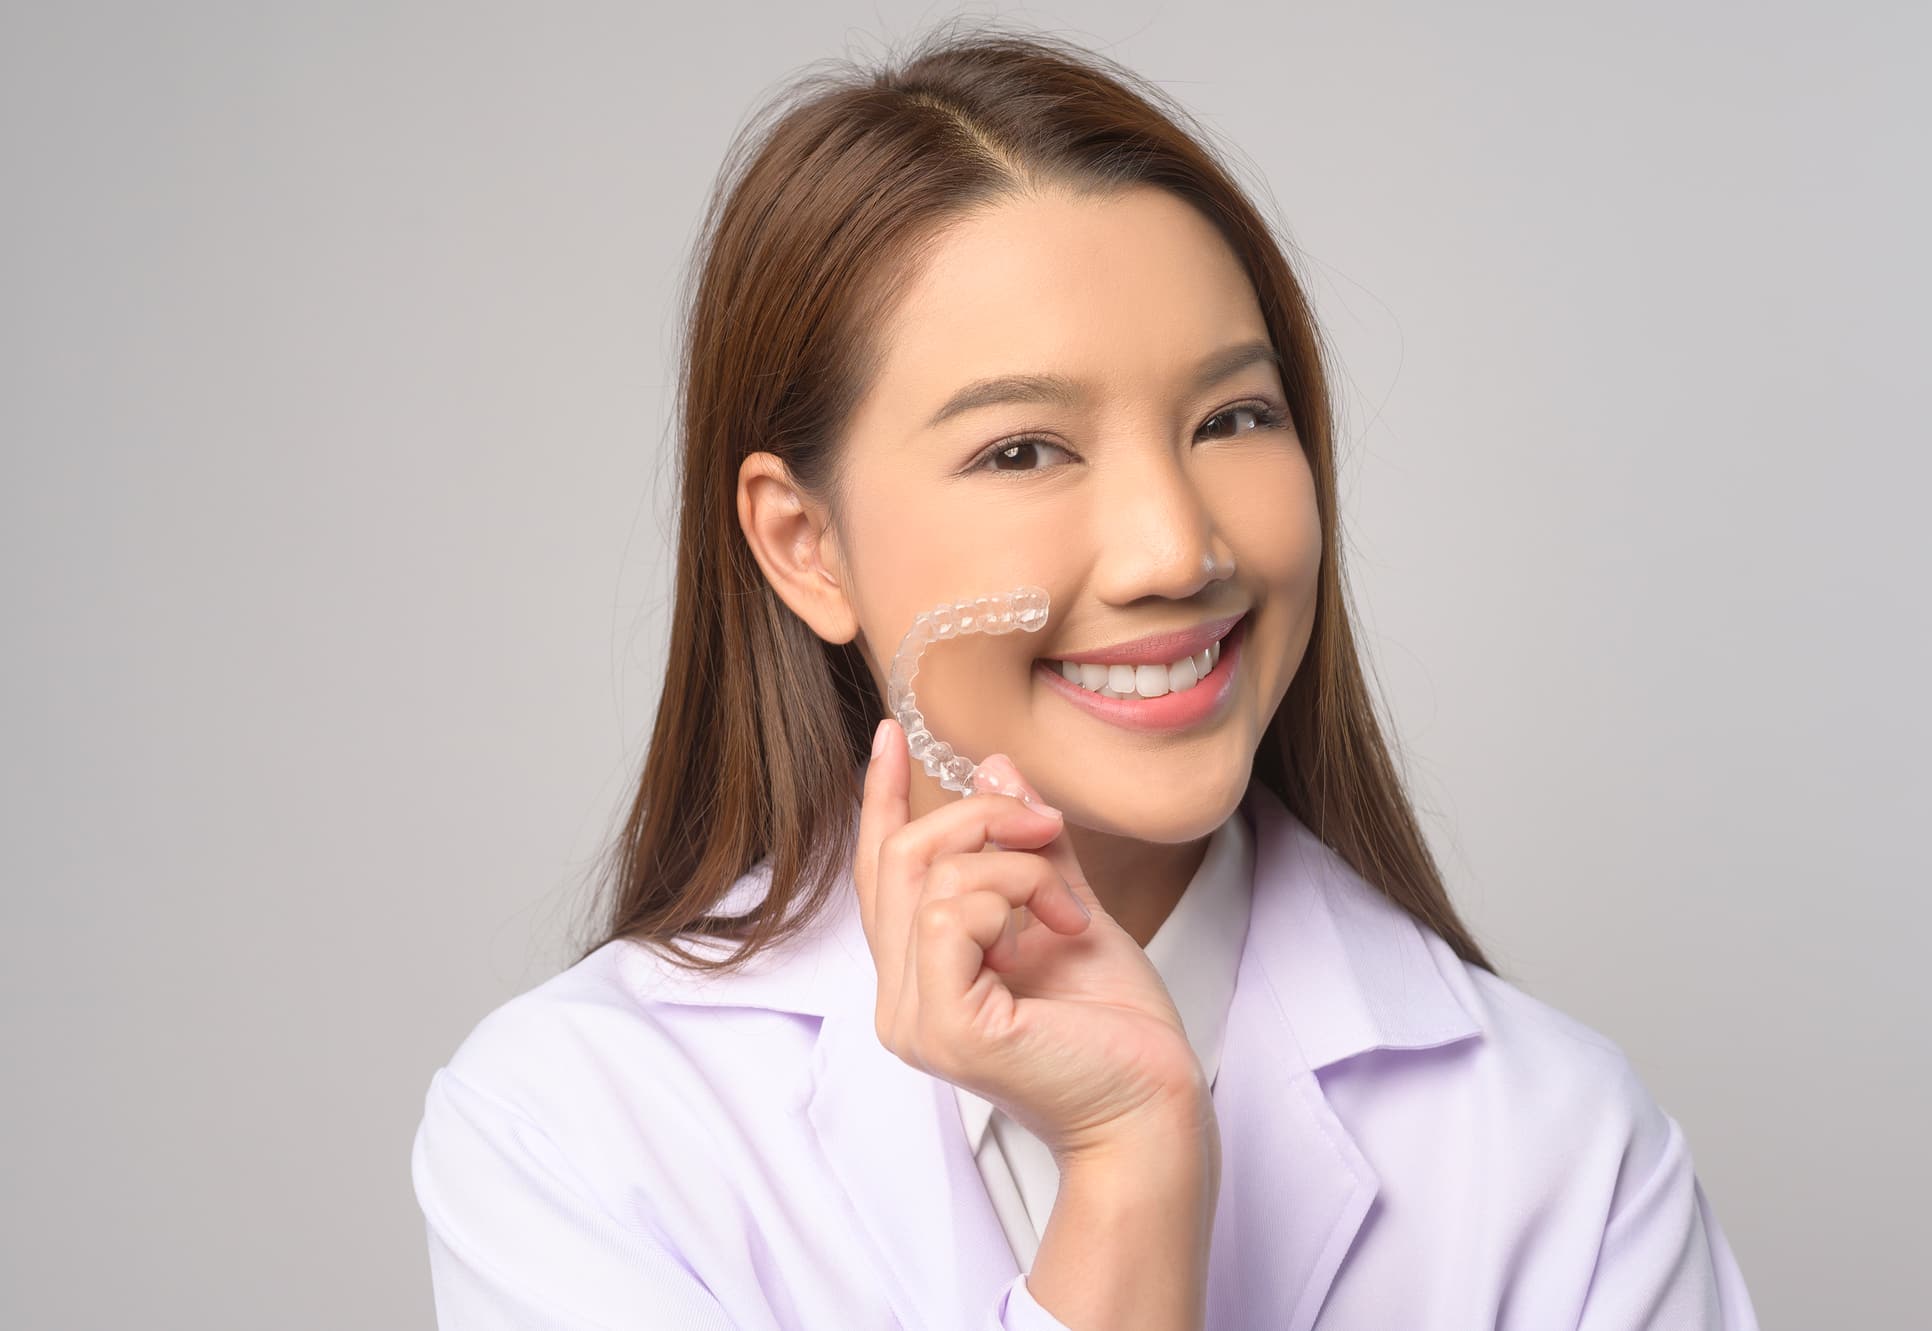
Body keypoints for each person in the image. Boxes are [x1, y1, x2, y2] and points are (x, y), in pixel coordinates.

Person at [409, 21, 1760, 1330]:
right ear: (803, 545)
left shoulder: (1563, 1152)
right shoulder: (578, 1130)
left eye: (1234, 418)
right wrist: (1130, 1175)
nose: (1177, 550)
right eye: (1024, 450)